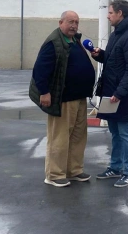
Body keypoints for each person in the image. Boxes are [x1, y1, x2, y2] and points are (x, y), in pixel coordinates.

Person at [32, 10, 96, 188]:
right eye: (70, 22)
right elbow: (40, 70)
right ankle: (54, 174)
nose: (74, 25)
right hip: (63, 99)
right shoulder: (53, 42)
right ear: (60, 22)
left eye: (76, 22)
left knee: (78, 136)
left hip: (79, 97)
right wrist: (44, 92)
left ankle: (74, 170)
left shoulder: (75, 40)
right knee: (59, 137)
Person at [89, 0, 128, 188]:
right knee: (115, 132)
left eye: (110, 12)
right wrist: (100, 54)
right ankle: (116, 167)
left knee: (125, 132)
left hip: (121, 95)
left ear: (120, 14)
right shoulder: (116, 35)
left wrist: (120, 92)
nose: (108, 15)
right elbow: (113, 60)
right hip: (110, 92)